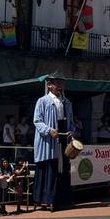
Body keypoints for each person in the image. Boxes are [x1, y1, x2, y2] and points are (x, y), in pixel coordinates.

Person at [33, 73, 75, 211]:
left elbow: (71, 121)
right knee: (49, 168)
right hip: (48, 140)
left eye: (61, 83)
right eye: (57, 83)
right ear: (50, 85)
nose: (60, 86)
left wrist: (71, 131)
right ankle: (46, 199)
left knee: (63, 168)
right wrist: (49, 130)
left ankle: (62, 199)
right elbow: (37, 121)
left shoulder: (67, 102)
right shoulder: (42, 101)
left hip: (63, 136)